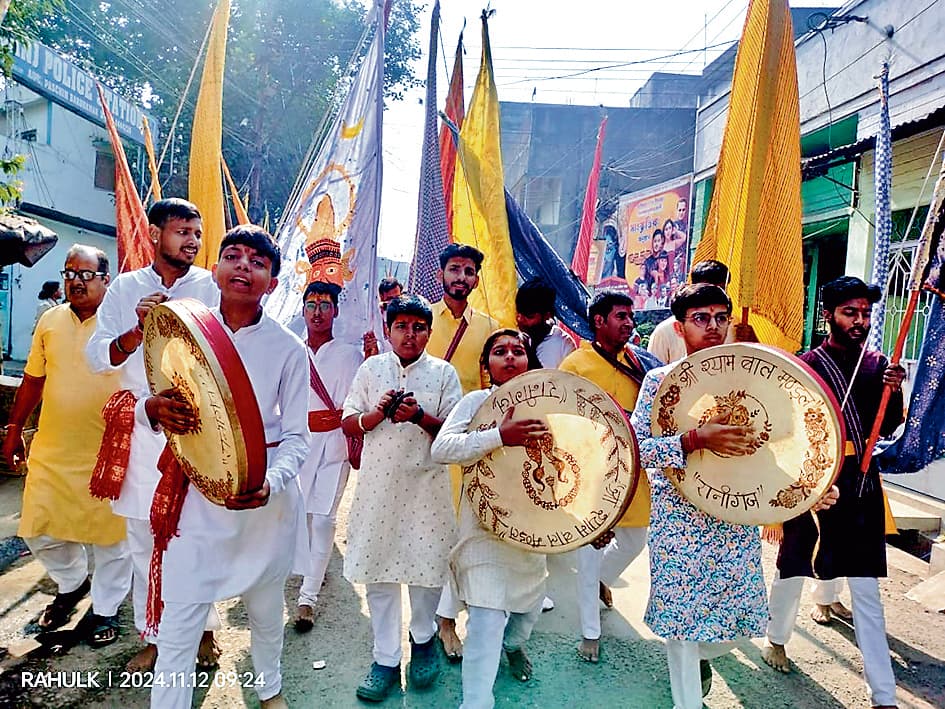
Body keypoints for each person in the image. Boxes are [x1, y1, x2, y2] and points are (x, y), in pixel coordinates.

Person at [629, 282, 837, 709]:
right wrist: (691, 440)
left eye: (720, 318)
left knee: (735, 630)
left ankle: (699, 659)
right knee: (683, 628)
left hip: (735, 520)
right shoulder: (660, 382)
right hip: (678, 523)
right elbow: (634, 451)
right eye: (700, 318)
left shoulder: (753, 378)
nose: (713, 326)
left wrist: (808, 494)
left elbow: (775, 451)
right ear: (679, 326)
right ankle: (685, 699)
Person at [149, 225, 309, 709]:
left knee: (263, 613)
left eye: (257, 262)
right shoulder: (181, 330)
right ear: (215, 270)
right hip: (196, 499)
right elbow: (149, 393)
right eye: (233, 256)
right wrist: (152, 409)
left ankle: (269, 689)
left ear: (272, 283)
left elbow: (298, 438)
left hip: (263, 504)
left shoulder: (288, 349)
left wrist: (270, 482)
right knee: (179, 624)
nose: (243, 266)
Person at [85, 198, 222, 672]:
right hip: (145, 432)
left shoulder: (210, 287)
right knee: (144, 542)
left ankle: (203, 629)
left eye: (196, 233)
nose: (192, 241)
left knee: (199, 537)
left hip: (198, 432)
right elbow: (98, 356)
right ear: (155, 233)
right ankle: (154, 637)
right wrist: (136, 329)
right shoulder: (125, 288)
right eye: (182, 230)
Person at [762, 276, 904, 709]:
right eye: (850, 313)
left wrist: (892, 392)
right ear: (829, 315)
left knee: (865, 585)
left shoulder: (880, 365)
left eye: (864, 313)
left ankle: (884, 695)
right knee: (793, 566)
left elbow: (891, 424)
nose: (859, 321)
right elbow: (785, 429)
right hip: (812, 481)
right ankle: (776, 639)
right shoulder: (805, 365)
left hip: (860, 485)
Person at [3, 245, 130, 647]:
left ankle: (106, 609)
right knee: (38, 527)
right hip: (54, 448)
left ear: (106, 280)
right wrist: (13, 428)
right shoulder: (50, 321)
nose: (75, 280)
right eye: (70, 272)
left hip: (108, 451)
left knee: (111, 538)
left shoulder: (123, 323)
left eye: (86, 274)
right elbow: (33, 380)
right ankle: (72, 583)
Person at [341, 294, 463, 702]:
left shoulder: (444, 374)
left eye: (419, 327)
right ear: (389, 329)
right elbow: (348, 420)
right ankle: (386, 660)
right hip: (378, 488)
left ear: (429, 331)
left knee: (427, 571)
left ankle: (424, 639)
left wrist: (419, 417)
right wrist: (374, 416)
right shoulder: (371, 368)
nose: (410, 335)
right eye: (402, 327)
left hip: (426, 489)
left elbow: (452, 432)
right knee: (379, 574)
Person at [431, 329, 548, 708]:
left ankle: (514, 647)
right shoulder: (475, 403)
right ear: (486, 366)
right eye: (500, 352)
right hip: (482, 529)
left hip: (531, 534)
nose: (510, 357)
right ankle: (476, 702)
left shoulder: (549, 405)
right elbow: (442, 448)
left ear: (529, 361)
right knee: (484, 621)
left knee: (525, 615)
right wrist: (500, 435)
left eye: (518, 351)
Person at [558, 290, 661, 663]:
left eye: (630, 316)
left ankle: (600, 579)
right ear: (599, 321)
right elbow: (562, 417)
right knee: (588, 551)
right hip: (591, 470)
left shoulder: (640, 361)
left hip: (634, 468)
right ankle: (589, 631)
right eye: (621, 316)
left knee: (635, 539)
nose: (629, 323)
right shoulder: (576, 364)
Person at [426, 243, 498, 659]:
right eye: (454, 269)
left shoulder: (489, 327)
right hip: (420, 438)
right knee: (433, 534)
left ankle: (450, 618)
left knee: (462, 532)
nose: (462, 278)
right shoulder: (421, 320)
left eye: (469, 271)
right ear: (442, 274)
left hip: (465, 445)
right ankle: (438, 618)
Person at [293, 280, 363, 632]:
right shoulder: (292, 350)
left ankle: (307, 599)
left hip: (334, 444)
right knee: (301, 516)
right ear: (303, 309)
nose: (317, 312)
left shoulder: (351, 353)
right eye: (311, 304)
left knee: (323, 520)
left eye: (324, 305)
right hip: (299, 445)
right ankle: (309, 569)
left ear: (335, 310)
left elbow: (357, 399)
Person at [647, 260, 734, 365]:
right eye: (700, 319)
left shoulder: (733, 328)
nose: (713, 326)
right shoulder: (664, 332)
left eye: (721, 290)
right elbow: (653, 368)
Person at [514, 278, 575, 369]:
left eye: (529, 316)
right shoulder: (512, 337)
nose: (520, 320)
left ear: (547, 315)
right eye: (518, 314)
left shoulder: (564, 344)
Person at [363, 277, 403, 358]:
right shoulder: (371, 316)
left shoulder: (405, 315)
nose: (393, 303)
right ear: (381, 296)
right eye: (390, 299)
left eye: (397, 298)